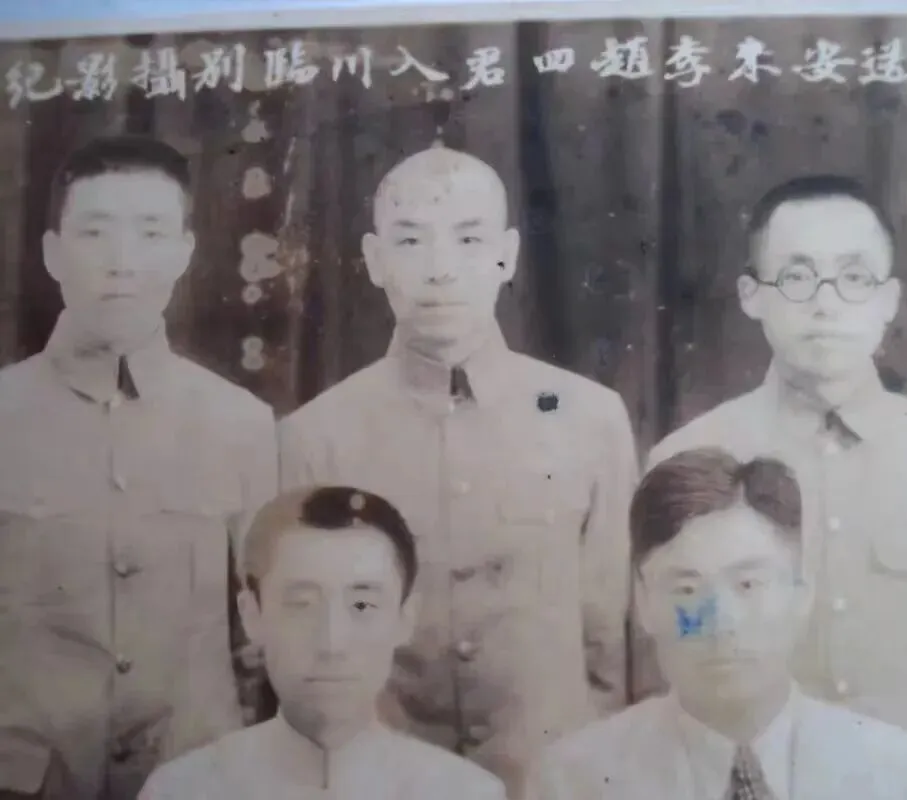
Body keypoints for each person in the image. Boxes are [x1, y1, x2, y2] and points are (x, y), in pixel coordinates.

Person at [646, 175, 907, 800]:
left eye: (855, 277)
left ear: (888, 299)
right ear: (752, 296)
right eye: (798, 277)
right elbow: (666, 650)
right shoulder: (688, 455)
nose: (826, 304)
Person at [277, 142, 638, 795]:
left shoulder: (591, 418)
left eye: (468, 240)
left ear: (508, 255)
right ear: (374, 259)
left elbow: (615, 641)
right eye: (411, 242)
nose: (441, 270)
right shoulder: (315, 438)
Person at [0, 135, 278, 799]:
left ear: (183, 251)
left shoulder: (241, 422)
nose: (122, 262)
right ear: (52, 252)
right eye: (95, 232)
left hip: (195, 781)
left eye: (150, 233)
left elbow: (265, 643)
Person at [528, 448, 907, 800]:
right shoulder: (573, 781)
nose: (721, 622)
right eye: (686, 589)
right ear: (643, 602)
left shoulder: (898, 773)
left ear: (802, 592)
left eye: (748, 584)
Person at [139, 485, 506, 799]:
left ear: (404, 619)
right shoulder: (182, 791)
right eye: (301, 605)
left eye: (362, 605)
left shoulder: (465, 793)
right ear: (252, 615)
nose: (332, 644)